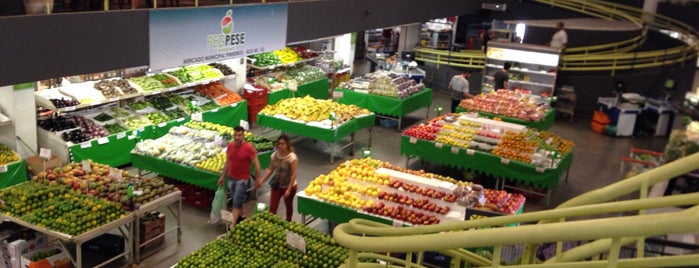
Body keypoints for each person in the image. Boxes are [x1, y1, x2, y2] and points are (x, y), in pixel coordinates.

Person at [218, 126, 261, 229]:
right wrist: (222, 176)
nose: (237, 137)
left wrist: (257, 180)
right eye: (235, 135)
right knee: (237, 199)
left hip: (242, 180)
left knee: (236, 202)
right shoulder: (231, 146)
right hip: (231, 178)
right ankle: (243, 216)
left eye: (239, 135)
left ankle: (232, 225)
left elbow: (257, 165)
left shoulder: (248, 148)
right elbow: (227, 162)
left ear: (243, 135)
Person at [256, 134, 298, 221]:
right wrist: (261, 180)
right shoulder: (274, 155)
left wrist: (289, 189)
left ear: (287, 144)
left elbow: (293, 174)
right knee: (272, 208)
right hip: (277, 185)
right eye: (279, 144)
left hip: (289, 186)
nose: (280, 146)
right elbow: (270, 169)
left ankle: (288, 222)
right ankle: (272, 224)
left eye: (283, 144)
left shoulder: (292, 157)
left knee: (288, 205)